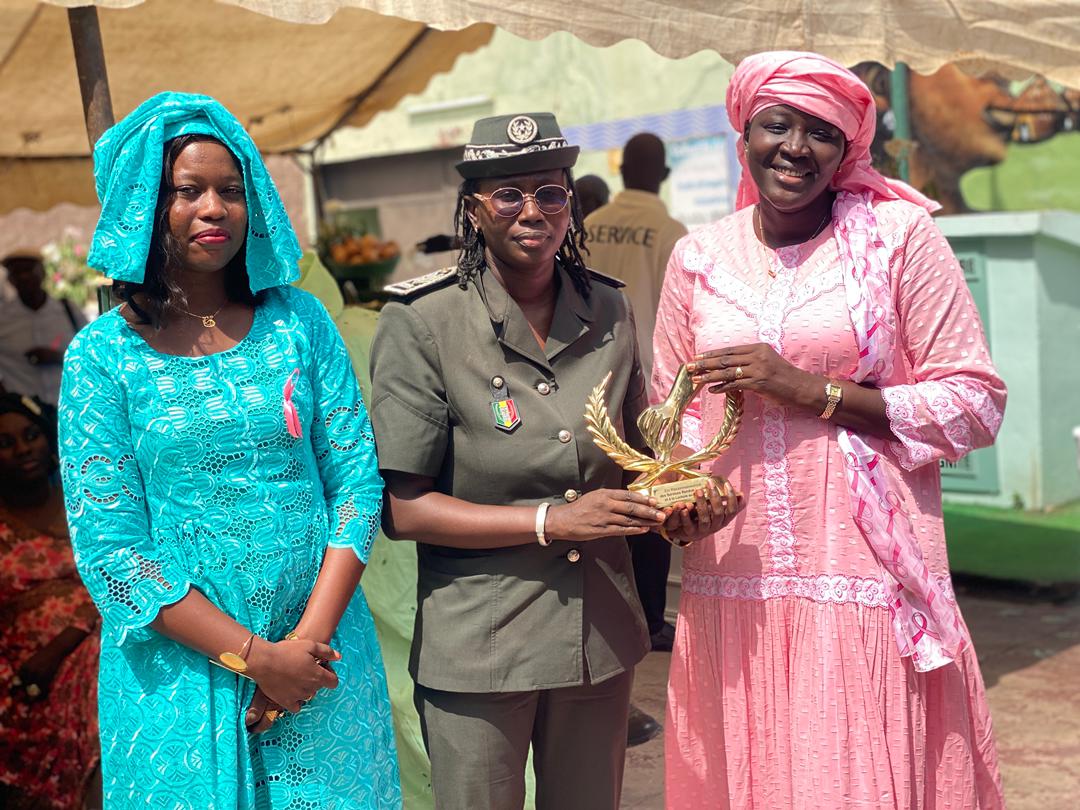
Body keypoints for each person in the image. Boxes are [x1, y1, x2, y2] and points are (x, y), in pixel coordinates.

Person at [653, 51, 1007, 808]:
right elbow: (672, 415)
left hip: (864, 575)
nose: (795, 147)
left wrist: (812, 389)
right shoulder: (697, 259)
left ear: (849, 150)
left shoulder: (898, 237)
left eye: (822, 133)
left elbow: (975, 402)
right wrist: (678, 498)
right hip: (733, 581)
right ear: (743, 134)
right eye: (776, 125)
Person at [369, 112, 740, 810]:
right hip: (481, 644)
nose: (532, 210)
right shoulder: (424, 320)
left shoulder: (608, 309)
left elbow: (641, 456)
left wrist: (684, 497)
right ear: (474, 208)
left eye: (550, 192)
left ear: (572, 204)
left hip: (597, 635)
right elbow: (403, 507)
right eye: (507, 194)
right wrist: (550, 521)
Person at [58, 92, 401, 807]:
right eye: (189, 190)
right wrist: (255, 659)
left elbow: (357, 486)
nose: (215, 208)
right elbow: (111, 549)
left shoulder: (298, 322)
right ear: (146, 205)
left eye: (233, 190)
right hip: (181, 676)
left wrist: (301, 650)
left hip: (323, 662)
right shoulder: (102, 357)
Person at [586, 133, 689, 655]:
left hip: (588, 388)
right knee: (651, 506)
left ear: (621, 169)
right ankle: (649, 619)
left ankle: (608, 616)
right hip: (649, 393)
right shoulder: (671, 233)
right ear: (664, 174)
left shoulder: (588, 226)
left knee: (597, 502)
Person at [0, 393, 101, 810]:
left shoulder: (89, 504)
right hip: (27, 673)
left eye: (31, 435)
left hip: (97, 638)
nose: (24, 448)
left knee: (107, 661)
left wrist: (72, 634)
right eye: (5, 443)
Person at [0, 252, 86, 406]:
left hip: (69, 406)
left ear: (43, 273)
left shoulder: (68, 311)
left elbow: (91, 357)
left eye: (29, 270)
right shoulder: (3, 319)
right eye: (17, 272)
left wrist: (58, 357)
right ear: (10, 280)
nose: (24, 277)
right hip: (22, 415)